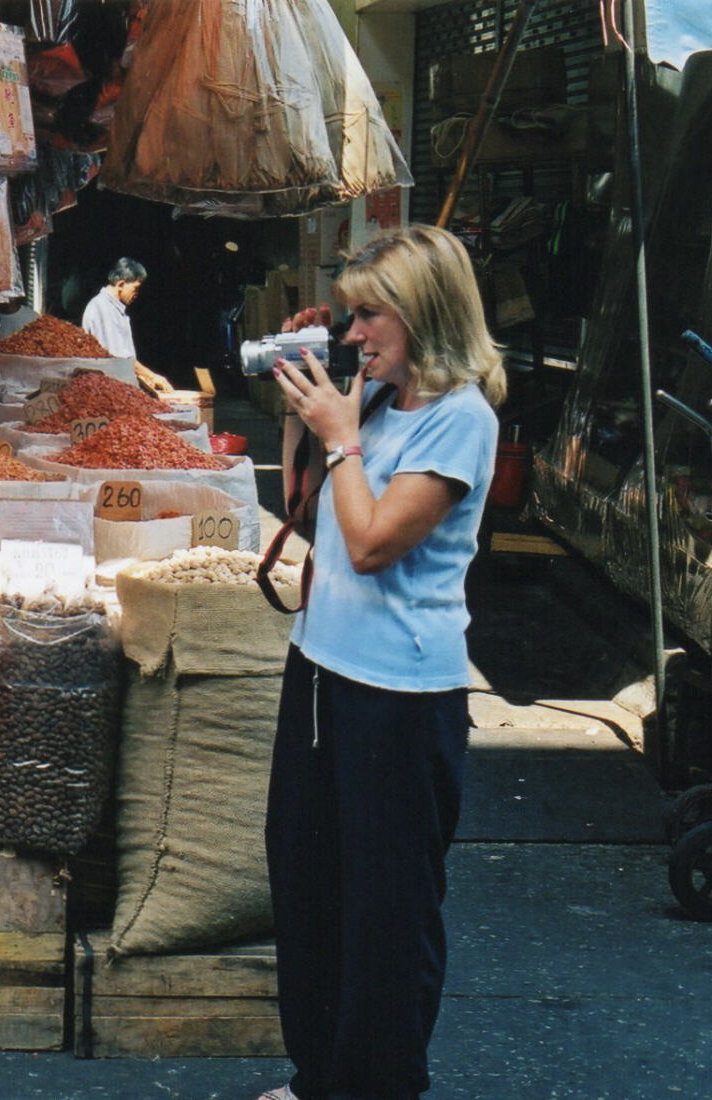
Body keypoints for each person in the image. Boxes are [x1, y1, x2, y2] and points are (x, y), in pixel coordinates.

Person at [259, 224, 505, 1100]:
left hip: (400, 696)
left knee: (387, 911)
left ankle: (377, 1084)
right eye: (352, 316)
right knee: (309, 883)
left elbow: (368, 545)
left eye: (371, 315)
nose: (354, 335)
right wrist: (307, 421)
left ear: (425, 314)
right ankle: (318, 1074)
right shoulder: (373, 401)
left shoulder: (461, 418)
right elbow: (308, 511)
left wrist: (341, 438)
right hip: (322, 669)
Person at [80, 256, 172, 393]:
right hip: (106, 391)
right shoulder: (102, 308)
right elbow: (119, 359)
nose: (137, 294)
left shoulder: (115, 309)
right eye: (135, 288)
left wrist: (142, 376)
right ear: (121, 284)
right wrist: (153, 376)